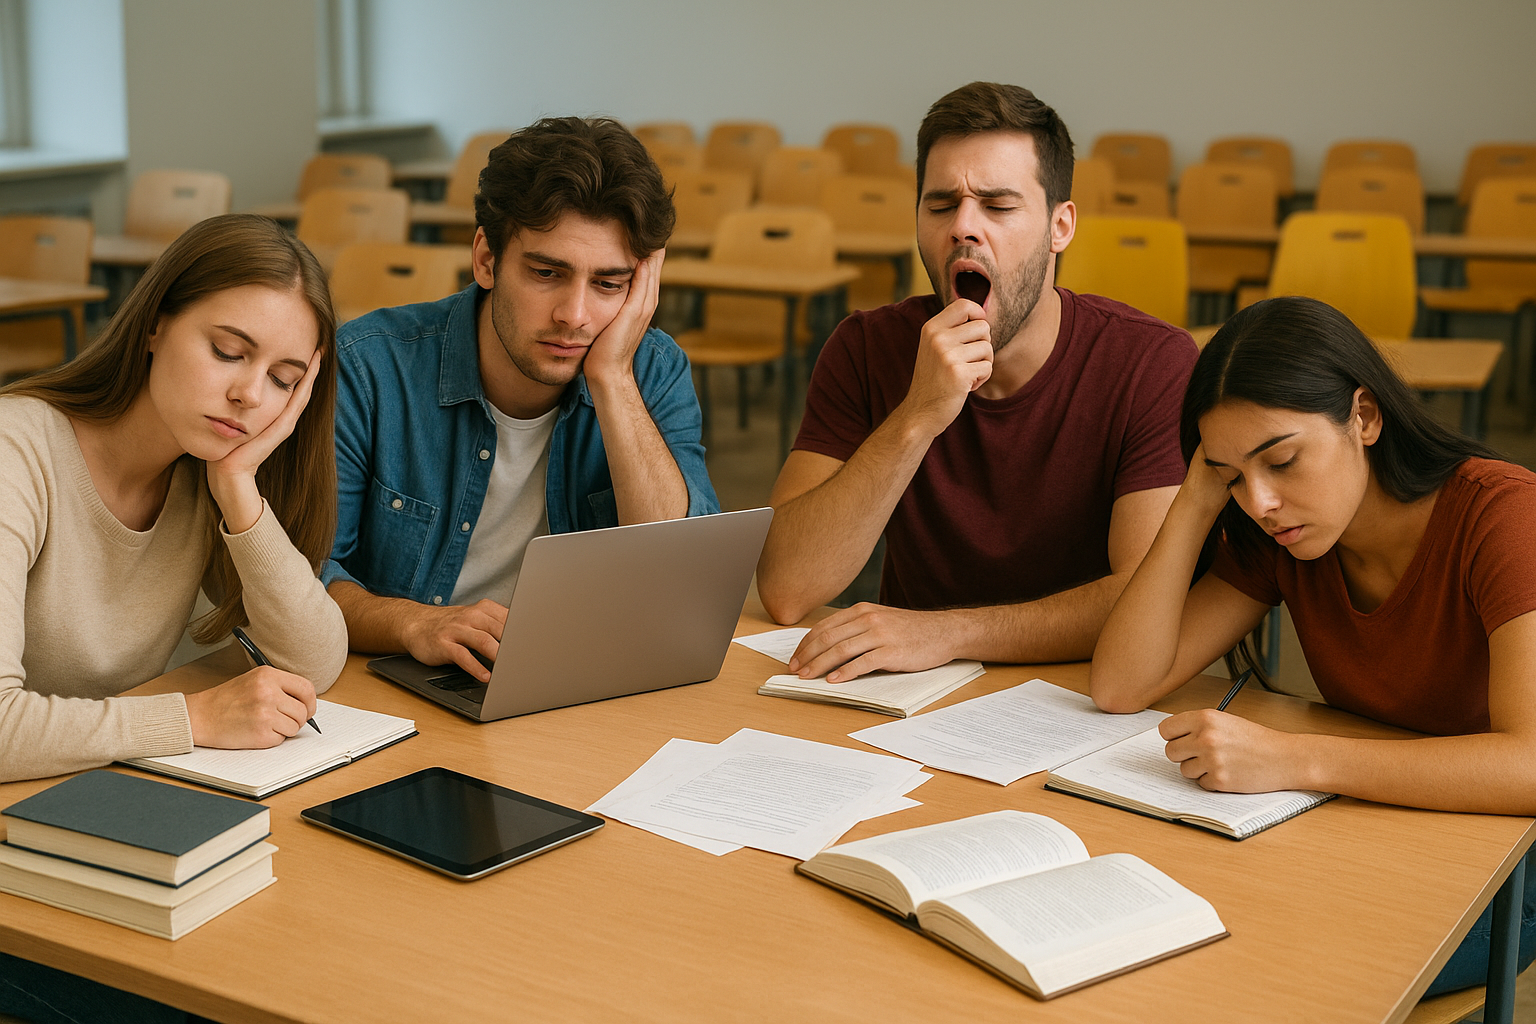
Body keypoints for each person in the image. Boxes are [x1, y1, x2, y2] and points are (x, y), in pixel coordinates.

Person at [1089, 295, 1536, 994]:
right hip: (1371, 832)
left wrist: (1293, 758)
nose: (1260, 502)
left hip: (1505, 872)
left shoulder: (1504, 517)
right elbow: (1120, 685)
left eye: (1283, 461)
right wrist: (1193, 503)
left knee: (1239, 964)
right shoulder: (1285, 541)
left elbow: (1529, 764)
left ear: (1364, 416)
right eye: (1233, 476)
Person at [0, 213, 347, 1022]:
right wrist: (191, 717)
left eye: (284, 378)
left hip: (87, 834)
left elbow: (316, 662)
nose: (247, 394)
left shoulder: (202, 475)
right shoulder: (18, 452)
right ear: (155, 324)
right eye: (228, 351)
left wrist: (239, 490)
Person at [756, 81, 1197, 681]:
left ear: (1060, 227)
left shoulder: (1150, 364)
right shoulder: (866, 348)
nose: (964, 227)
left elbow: (1146, 600)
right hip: (907, 693)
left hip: (1080, 691)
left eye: (998, 205)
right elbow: (785, 587)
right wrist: (917, 416)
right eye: (941, 205)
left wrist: (951, 632)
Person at [323, 117, 717, 681]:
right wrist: (412, 624)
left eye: (609, 284)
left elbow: (682, 585)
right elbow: (304, 577)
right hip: (402, 683)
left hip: (581, 683)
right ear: (486, 260)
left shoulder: (649, 373)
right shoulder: (368, 370)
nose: (575, 316)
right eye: (547, 273)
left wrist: (611, 380)